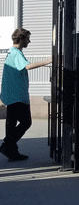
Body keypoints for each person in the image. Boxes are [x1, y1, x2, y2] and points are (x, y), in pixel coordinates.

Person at [0, 28, 52, 162]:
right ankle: (7, 144)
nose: (29, 41)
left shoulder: (11, 52)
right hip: (17, 95)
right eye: (28, 39)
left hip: (11, 94)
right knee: (26, 122)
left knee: (11, 124)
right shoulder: (16, 53)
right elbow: (27, 66)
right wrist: (48, 61)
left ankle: (12, 153)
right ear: (21, 39)